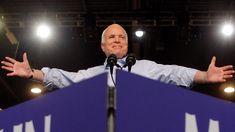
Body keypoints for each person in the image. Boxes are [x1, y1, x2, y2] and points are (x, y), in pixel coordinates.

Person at [1, 24, 235, 89]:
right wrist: (32, 73)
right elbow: (63, 77)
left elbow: (175, 73)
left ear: (127, 43)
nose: (117, 39)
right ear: (103, 46)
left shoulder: (146, 67)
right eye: (111, 37)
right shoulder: (92, 74)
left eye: (122, 37)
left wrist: (204, 75)